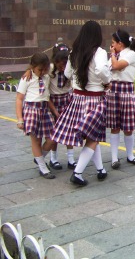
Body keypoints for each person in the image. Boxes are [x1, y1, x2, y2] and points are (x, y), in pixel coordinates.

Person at [51, 20, 111, 186]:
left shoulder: (74, 52)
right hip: (94, 99)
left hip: (77, 99)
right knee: (93, 137)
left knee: (93, 136)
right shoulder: (99, 52)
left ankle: (101, 170)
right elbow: (100, 70)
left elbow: (68, 73)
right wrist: (107, 80)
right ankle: (77, 173)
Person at [16, 53, 57, 179]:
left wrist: (55, 112)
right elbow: (19, 99)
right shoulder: (26, 78)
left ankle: (39, 158)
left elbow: (54, 65)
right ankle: (43, 168)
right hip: (31, 109)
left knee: (53, 138)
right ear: (33, 67)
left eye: (45, 69)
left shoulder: (46, 75)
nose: (43, 72)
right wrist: (20, 119)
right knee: (36, 140)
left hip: (44, 109)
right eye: (40, 69)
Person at [107, 29, 135, 170]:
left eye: (113, 43)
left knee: (128, 127)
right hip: (114, 90)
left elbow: (116, 66)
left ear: (120, 43)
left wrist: (112, 55)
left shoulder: (131, 54)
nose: (112, 46)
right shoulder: (115, 55)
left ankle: (130, 155)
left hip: (126, 91)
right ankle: (114, 158)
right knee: (114, 126)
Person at [48, 48, 76, 170]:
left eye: (65, 63)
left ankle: (71, 158)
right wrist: (54, 111)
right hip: (53, 101)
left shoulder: (70, 69)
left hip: (66, 100)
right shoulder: (50, 69)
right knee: (54, 132)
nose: (63, 66)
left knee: (70, 130)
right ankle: (53, 158)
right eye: (60, 63)